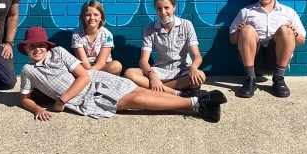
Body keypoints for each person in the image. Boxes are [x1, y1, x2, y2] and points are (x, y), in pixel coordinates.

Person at [17, 27, 225, 123]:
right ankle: (197, 102)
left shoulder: (59, 52)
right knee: (138, 100)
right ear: (25, 49)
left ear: (47, 45)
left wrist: (62, 100)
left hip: (95, 81)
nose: (37, 49)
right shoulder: (29, 71)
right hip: (85, 99)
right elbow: (25, 98)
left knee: (140, 92)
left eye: (41, 45)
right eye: (32, 46)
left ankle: (196, 102)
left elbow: (84, 76)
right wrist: (37, 109)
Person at [230, 0, 307, 99]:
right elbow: (232, 40)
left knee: (286, 30)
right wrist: (240, 32)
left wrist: (293, 33)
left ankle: (279, 79)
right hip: (253, 61)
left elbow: (301, 41)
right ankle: (250, 79)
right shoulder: (246, 12)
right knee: (247, 29)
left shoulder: (288, 12)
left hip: (276, 61)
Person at [124, 0, 206, 94]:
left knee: (200, 76)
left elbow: (197, 55)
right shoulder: (149, 29)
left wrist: (193, 67)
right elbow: (143, 61)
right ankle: (177, 92)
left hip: (182, 71)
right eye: (159, 9)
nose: (163, 12)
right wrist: (152, 76)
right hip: (159, 71)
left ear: (174, 7)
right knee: (129, 73)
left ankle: (159, 89)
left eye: (166, 8)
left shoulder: (186, 25)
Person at [71, 0, 123, 76]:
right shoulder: (77, 35)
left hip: (103, 67)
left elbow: (101, 62)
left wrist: (91, 73)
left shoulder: (107, 35)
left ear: (101, 17)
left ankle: (93, 77)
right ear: (83, 17)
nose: (92, 18)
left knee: (116, 65)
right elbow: (84, 61)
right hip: (85, 67)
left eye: (96, 15)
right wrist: (89, 71)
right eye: (88, 15)